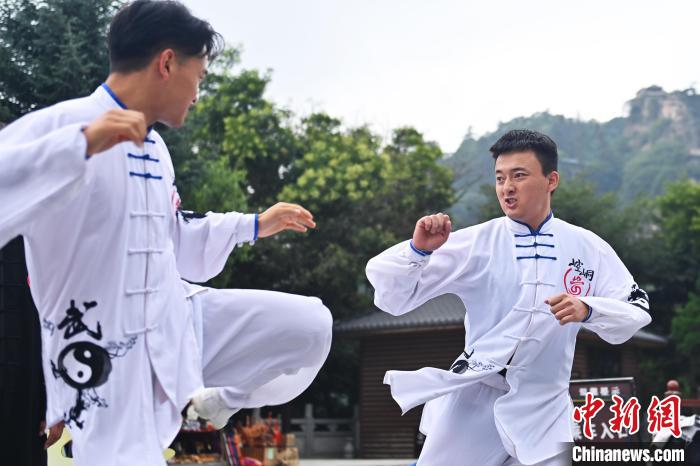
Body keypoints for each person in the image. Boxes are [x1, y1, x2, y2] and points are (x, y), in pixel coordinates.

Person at [0, 1, 332, 465]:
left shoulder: (156, 149)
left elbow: (172, 237)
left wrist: (255, 225)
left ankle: (215, 403)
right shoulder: (61, 125)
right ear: (168, 62)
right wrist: (80, 145)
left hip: (177, 320)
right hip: (103, 352)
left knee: (309, 326)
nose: (197, 94)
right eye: (199, 76)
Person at [365, 129, 652, 465]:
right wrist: (418, 251)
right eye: (500, 178)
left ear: (551, 180)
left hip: (546, 407)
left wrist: (588, 308)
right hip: (475, 397)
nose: (507, 187)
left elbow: (636, 310)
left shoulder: (588, 247)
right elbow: (393, 297)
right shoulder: (477, 242)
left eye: (519, 175)